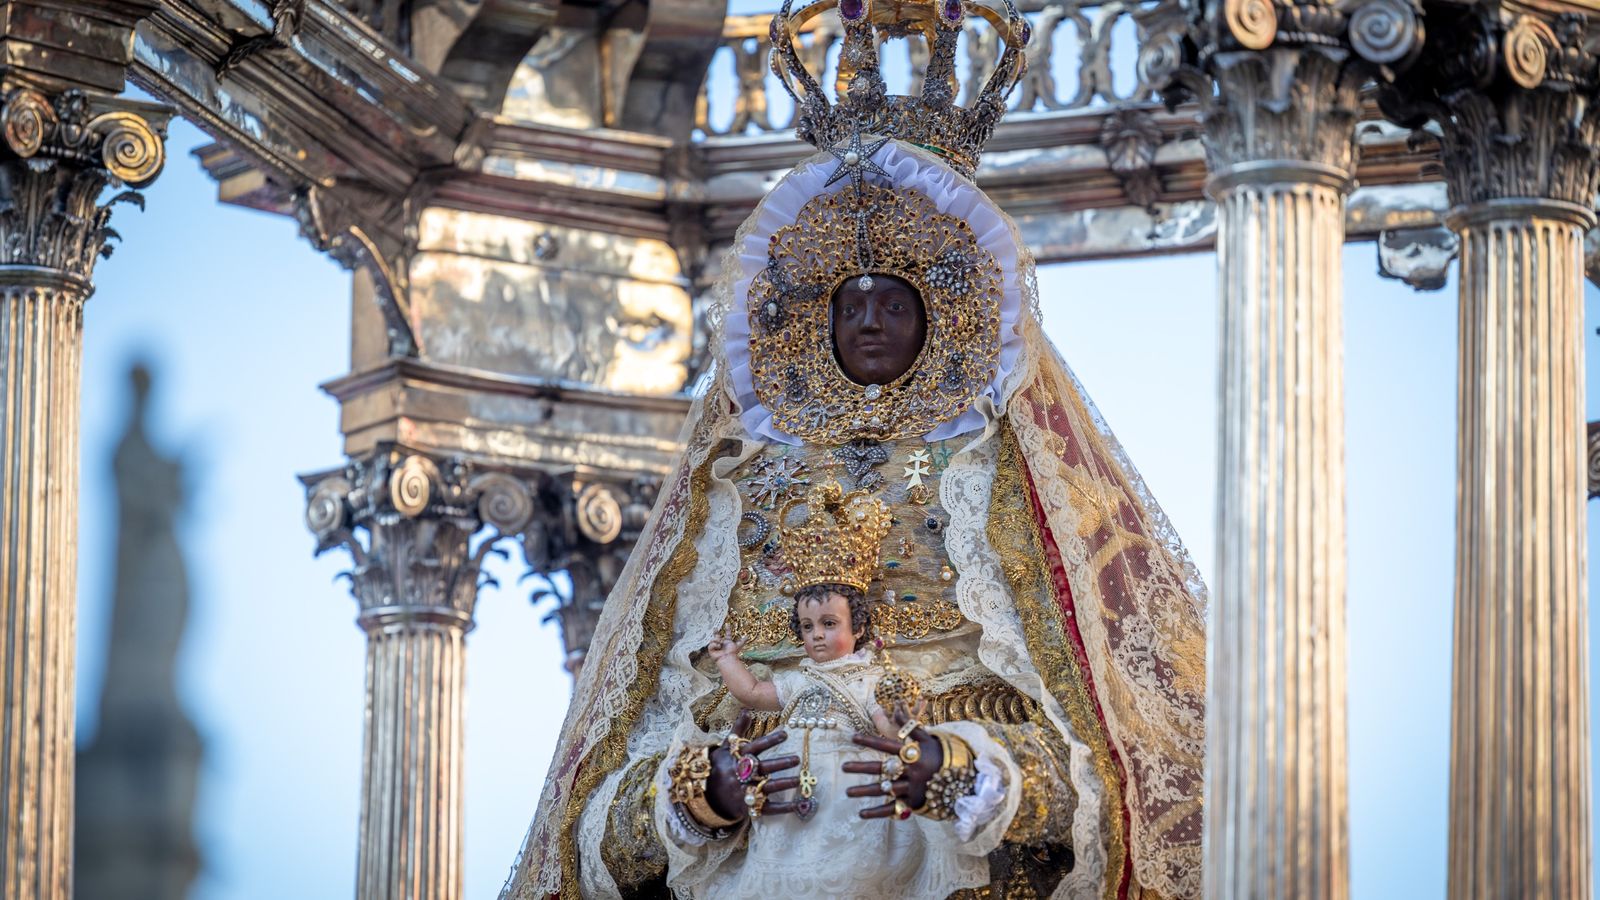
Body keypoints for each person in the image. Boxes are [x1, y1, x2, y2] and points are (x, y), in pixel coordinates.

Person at [503, 0, 1208, 896]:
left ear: (944, 314)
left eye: (895, 300)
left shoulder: (997, 481)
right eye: (850, 301)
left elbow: (1133, 770)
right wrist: (701, 793)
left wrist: (962, 773)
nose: (871, 319)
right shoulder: (736, 492)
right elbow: (598, 819)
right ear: (812, 318)